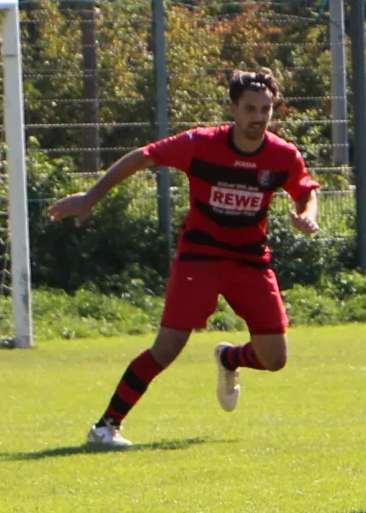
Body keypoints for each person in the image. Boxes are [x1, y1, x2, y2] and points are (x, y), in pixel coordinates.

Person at [48, 67, 319, 449]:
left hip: (249, 260)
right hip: (201, 257)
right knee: (168, 347)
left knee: (275, 358)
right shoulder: (201, 143)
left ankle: (230, 359)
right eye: (251, 109)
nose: (259, 118)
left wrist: (308, 214)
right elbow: (140, 157)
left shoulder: (281, 155)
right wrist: (90, 198)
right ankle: (106, 426)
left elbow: (306, 190)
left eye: (266, 110)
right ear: (233, 109)